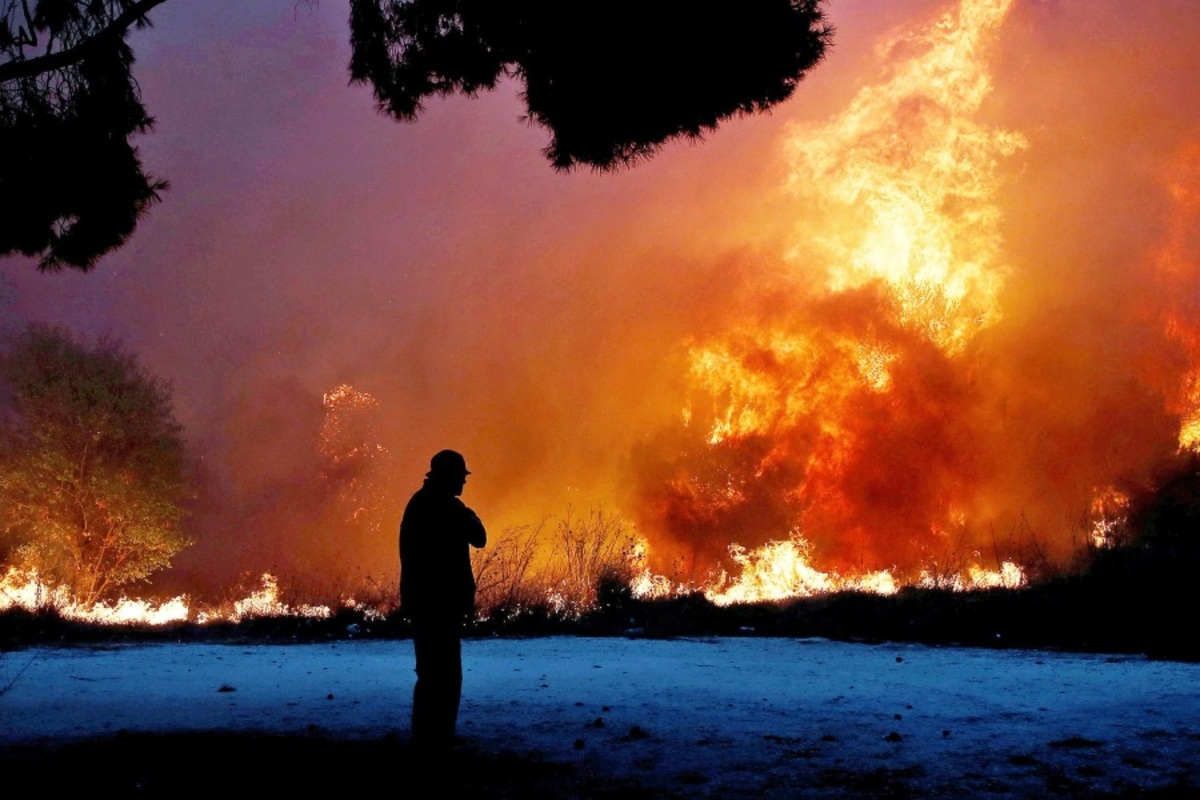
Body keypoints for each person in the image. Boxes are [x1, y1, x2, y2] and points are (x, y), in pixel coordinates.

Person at [399, 448, 487, 749]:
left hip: (424, 603)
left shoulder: (418, 503)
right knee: (446, 675)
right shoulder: (449, 508)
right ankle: (438, 737)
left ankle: (426, 736)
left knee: (430, 673)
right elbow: (480, 538)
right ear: (447, 477)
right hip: (441, 604)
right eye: (460, 477)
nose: (463, 483)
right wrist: (468, 513)